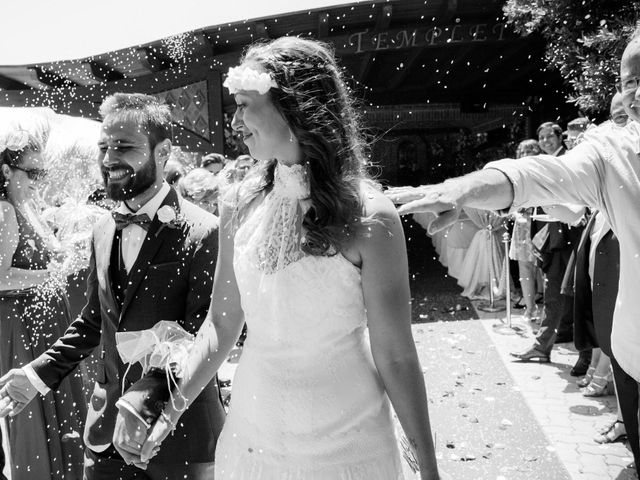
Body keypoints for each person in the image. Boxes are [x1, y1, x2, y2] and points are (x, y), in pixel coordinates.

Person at [125, 37, 442, 479]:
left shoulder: (371, 216)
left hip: (351, 444)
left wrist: (427, 467)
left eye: (243, 104)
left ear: (295, 108)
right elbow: (221, 325)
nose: (234, 121)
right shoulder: (237, 202)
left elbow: (395, 356)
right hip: (255, 438)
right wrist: (170, 405)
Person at [386, 29, 640, 470]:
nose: (636, 93)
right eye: (628, 80)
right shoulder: (612, 150)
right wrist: (457, 189)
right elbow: (530, 177)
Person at [0, 93, 226, 479]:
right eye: (104, 147)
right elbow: (93, 322)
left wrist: (143, 405)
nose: (109, 159)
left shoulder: (205, 230)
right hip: (103, 433)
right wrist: (36, 375)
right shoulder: (102, 229)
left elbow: (203, 335)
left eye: (125, 147)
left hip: (178, 437)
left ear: (162, 151)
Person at [0, 127, 87, 479]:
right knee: (35, 419)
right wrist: (49, 276)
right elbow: (1, 276)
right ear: (6, 171)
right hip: (23, 327)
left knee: (61, 413)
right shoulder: (6, 210)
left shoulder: (29, 207)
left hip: (47, 324)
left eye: (43, 173)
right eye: (32, 172)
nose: (39, 180)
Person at [509, 139, 542, 321]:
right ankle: (530, 308)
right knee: (525, 267)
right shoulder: (515, 177)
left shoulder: (543, 173)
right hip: (522, 225)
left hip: (542, 223)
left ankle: (546, 305)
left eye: (531, 153)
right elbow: (509, 203)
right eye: (523, 153)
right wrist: (515, 214)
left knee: (543, 266)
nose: (526, 156)